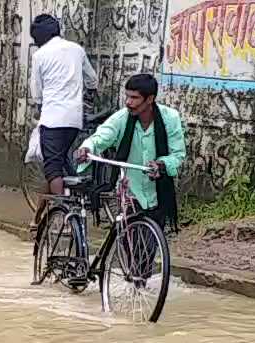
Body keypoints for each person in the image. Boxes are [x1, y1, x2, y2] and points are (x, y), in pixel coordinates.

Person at [75, 73, 186, 234]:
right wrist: (87, 148)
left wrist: (162, 164)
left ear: (150, 99)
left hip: (158, 192)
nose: (128, 102)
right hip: (129, 191)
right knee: (129, 242)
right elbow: (100, 137)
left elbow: (178, 154)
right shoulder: (122, 118)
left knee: (152, 244)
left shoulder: (170, 118)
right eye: (127, 97)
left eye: (134, 98)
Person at [28, 13, 98, 237]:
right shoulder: (76, 49)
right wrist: (88, 92)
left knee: (53, 168)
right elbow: (92, 79)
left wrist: (39, 105)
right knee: (57, 164)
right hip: (74, 120)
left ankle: (65, 214)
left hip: (53, 120)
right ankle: (37, 218)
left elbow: (37, 92)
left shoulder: (40, 56)